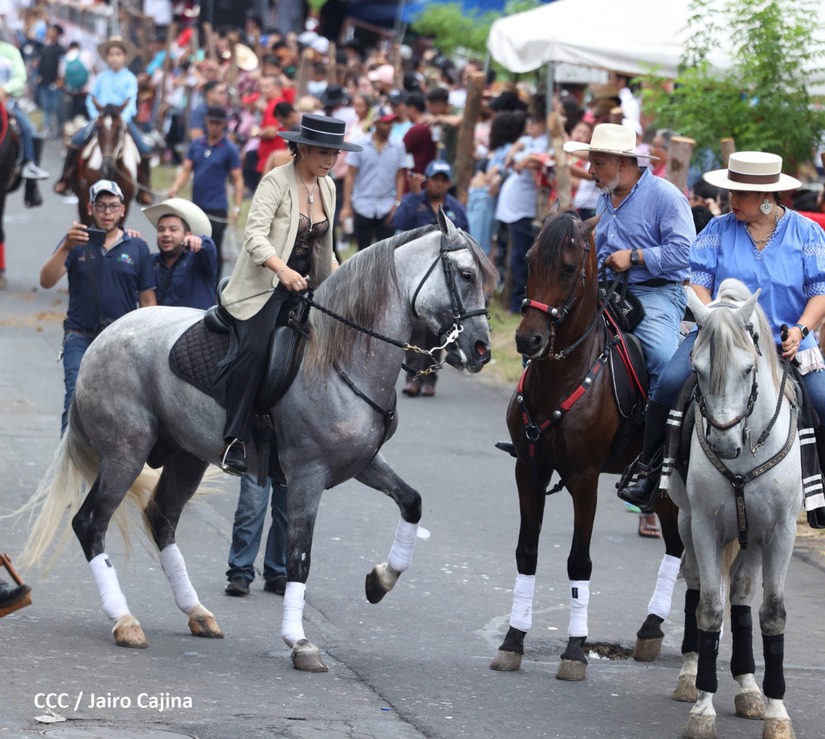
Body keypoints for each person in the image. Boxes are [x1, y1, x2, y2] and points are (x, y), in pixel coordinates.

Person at [618, 151, 825, 512]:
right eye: (731, 191)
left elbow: (819, 292)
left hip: (788, 339)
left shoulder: (807, 232)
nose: (732, 200)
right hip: (719, 334)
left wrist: (801, 329)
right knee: (669, 384)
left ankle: (818, 489)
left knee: (822, 400)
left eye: (740, 193)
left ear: (767, 196)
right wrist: (713, 318)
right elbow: (698, 282)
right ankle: (650, 472)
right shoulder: (716, 229)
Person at [214, 114, 362, 474]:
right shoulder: (275, 181)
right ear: (303, 148)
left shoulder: (328, 186)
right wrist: (282, 269)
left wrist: (342, 272)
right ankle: (234, 438)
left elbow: (324, 245)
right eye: (324, 152)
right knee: (255, 351)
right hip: (264, 286)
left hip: (308, 285)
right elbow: (254, 236)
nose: (331, 160)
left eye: (336, 153)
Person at [562, 123, 694, 508]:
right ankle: (538, 429)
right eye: (591, 162)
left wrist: (634, 257)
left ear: (623, 163)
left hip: (655, 293)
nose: (590, 170)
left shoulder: (666, 197)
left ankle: (654, 462)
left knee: (665, 365)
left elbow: (685, 253)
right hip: (607, 291)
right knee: (550, 332)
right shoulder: (606, 195)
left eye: (597, 162)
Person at [39, 179, 156, 435]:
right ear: (90, 208)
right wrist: (66, 246)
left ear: (123, 210)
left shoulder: (137, 246)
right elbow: (46, 281)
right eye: (101, 206)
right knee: (75, 399)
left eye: (113, 206)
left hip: (121, 339)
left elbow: (148, 300)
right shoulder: (74, 241)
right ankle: (68, 458)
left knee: (119, 405)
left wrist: (150, 343)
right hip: (79, 336)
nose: (107, 212)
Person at [392, 159, 469, 398]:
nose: (439, 184)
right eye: (435, 179)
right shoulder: (414, 201)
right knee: (416, 327)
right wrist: (414, 197)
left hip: (445, 279)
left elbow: (465, 240)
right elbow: (398, 224)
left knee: (438, 327)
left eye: (444, 180)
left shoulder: (455, 208)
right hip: (416, 275)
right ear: (427, 180)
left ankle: (430, 379)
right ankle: (414, 378)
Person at [53, 37, 154, 205]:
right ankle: (65, 179)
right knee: (76, 141)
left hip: (121, 120)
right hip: (100, 119)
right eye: (111, 54)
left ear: (125, 56)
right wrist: (97, 116)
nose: (114, 58)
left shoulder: (130, 78)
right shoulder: (101, 77)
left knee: (144, 149)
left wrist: (121, 119)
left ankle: (144, 189)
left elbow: (131, 102)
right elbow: (91, 98)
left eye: (118, 54)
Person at [167, 106, 243, 275]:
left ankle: (213, 287)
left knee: (213, 250)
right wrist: (175, 187)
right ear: (206, 122)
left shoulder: (229, 149)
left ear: (223, 124)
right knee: (192, 247)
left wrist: (237, 207)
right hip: (196, 207)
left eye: (218, 123)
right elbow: (186, 170)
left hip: (217, 208)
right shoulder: (196, 144)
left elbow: (237, 179)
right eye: (211, 122)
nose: (214, 126)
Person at [495, 112, 549, 314]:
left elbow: (539, 161)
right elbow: (516, 152)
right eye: (530, 121)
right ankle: (516, 299)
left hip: (524, 208)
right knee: (514, 254)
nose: (531, 124)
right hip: (512, 208)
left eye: (536, 121)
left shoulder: (546, 142)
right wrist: (516, 156)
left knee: (522, 256)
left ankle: (521, 300)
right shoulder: (527, 141)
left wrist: (525, 159)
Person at [339, 105, 407, 251]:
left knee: (386, 251)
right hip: (362, 204)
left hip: (387, 205)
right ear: (375, 123)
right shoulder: (360, 144)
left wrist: (397, 203)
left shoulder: (398, 146)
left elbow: (400, 175)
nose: (389, 126)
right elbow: (350, 175)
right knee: (362, 250)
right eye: (385, 122)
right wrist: (346, 205)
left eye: (391, 122)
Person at [143, 198, 218, 309]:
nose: (166, 234)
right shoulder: (151, 262)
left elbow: (209, 247)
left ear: (188, 235)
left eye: (173, 229)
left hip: (199, 320)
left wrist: (199, 240)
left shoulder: (198, 259)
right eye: (161, 229)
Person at [224, 477, 288, 597]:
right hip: (260, 464)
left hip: (295, 464)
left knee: (288, 513)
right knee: (250, 508)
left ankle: (278, 572)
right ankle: (240, 571)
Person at [0, 37, 49, 180]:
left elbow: (20, 78)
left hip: (7, 103)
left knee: (29, 129)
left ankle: (29, 165)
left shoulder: (10, 52)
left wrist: (5, 89)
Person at [34, 23, 65, 138]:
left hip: (55, 83)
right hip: (44, 82)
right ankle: (46, 127)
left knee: (56, 107)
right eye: (49, 31)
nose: (49, 33)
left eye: (52, 31)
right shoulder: (44, 48)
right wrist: (38, 74)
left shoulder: (60, 49)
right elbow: (40, 62)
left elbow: (62, 65)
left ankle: (58, 128)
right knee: (45, 106)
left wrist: (60, 79)